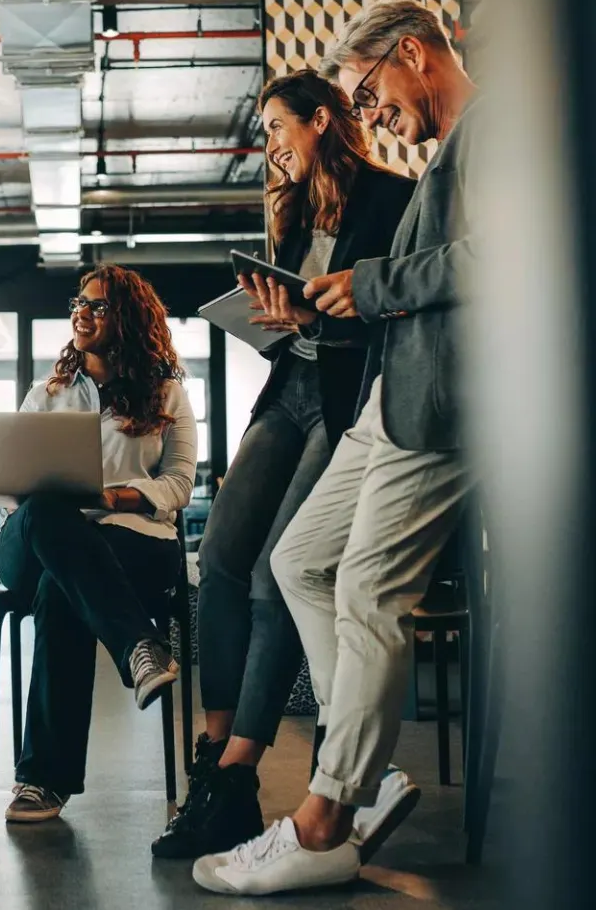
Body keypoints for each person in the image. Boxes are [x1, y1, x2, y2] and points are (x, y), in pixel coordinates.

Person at [193, 0, 478, 895]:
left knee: (364, 585)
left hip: (438, 402)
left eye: (367, 93)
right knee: (301, 561)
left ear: (413, 54)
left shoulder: (494, 133)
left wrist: (373, 283)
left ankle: (325, 817)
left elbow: (504, 255)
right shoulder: (442, 157)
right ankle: (370, 766)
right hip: (392, 396)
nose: (372, 116)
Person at [151, 70, 417, 860]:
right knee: (221, 559)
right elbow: (297, 313)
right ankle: (215, 758)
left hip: (347, 399)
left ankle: (237, 775)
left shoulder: (393, 198)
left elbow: (393, 322)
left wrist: (310, 316)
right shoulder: (294, 210)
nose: (268, 143)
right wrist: (275, 315)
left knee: (277, 571)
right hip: (289, 388)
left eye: (276, 125)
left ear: (322, 120)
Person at [0, 265, 198, 824]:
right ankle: (140, 646)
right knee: (46, 512)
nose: (81, 313)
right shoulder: (48, 392)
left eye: (98, 306)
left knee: (63, 594)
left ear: (128, 318)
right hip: (31, 541)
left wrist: (119, 497)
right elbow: (10, 482)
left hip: (129, 541)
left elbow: (179, 485)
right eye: (77, 303)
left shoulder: (166, 394)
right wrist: (51, 497)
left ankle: (42, 783)